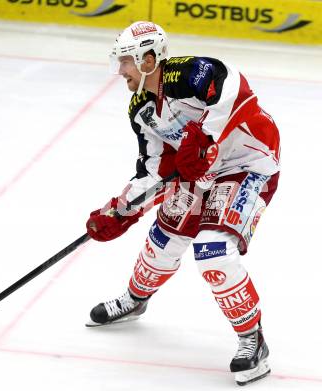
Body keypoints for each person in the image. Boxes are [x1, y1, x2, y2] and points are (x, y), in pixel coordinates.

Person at [85, 21, 280, 386]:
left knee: (213, 251)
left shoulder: (187, 75)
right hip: (197, 173)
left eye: (126, 61)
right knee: (162, 241)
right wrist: (122, 209)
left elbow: (233, 83)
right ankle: (135, 299)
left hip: (246, 166)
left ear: (148, 59)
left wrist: (204, 136)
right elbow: (156, 168)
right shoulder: (140, 108)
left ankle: (253, 340)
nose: (121, 71)